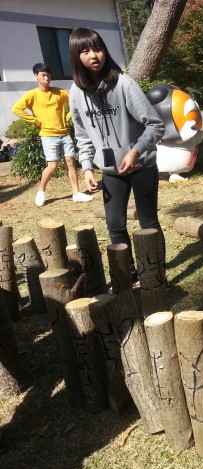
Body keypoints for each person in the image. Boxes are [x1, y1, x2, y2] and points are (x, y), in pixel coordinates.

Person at [68, 27, 165, 280]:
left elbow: (155, 124)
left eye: (97, 48)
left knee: (148, 223)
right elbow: (83, 135)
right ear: (76, 56)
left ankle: (156, 276)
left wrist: (135, 151)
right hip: (110, 171)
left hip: (141, 166)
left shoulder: (124, 83)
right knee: (114, 225)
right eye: (85, 51)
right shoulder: (76, 93)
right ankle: (127, 274)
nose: (93, 55)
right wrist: (87, 167)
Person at [11, 63, 93, 207]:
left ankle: (76, 193)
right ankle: (41, 191)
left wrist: (69, 116)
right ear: (36, 76)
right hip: (48, 136)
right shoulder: (32, 95)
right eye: (43, 75)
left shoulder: (59, 92)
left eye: (48, 75)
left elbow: (76, 102)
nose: (47, 78)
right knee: (52, 165)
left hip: (64, 133)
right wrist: (35, 121)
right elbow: (17, 109)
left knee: (70, 162)